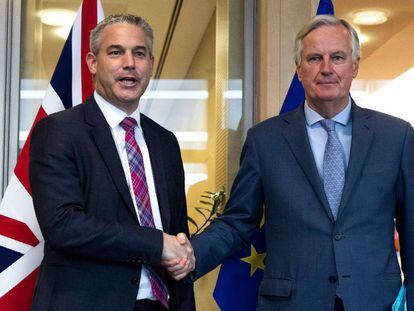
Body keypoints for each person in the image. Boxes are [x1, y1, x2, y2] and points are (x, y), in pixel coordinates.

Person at [164, 15, 414, 310]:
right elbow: (238, 222)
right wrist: (190, 253)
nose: (326, 69)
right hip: (292, 303)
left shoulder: (396, 137)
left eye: (337, 57)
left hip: (375, 301)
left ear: (355, 65)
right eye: (314, 58)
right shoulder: (264, 140)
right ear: (299, 69)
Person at [29, 14, 195, 311]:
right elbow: (64, 225)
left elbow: (177, 235)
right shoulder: (60, 130)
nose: (129, 63)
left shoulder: (165, 142)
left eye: (139, 53)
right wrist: (157, 244)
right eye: (116, 52)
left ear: (151, 64)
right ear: (92, 63)